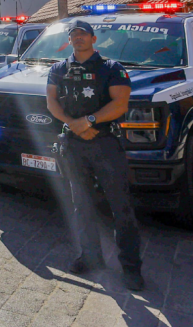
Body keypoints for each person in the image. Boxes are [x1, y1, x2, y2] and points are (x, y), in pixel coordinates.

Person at [45, 20, 144, 291]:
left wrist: (87, 121)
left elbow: (120, 103)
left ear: (93, 38)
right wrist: (72, 123)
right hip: (74, 145)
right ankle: (89, 257)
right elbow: (51, 102)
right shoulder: (58, 69)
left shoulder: (111, 68)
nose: (78, 38)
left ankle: (131, 267)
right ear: (69, 40)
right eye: (73, 34)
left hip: (105, 142)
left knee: (120, 206)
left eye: (83, 34)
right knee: (82, 205)